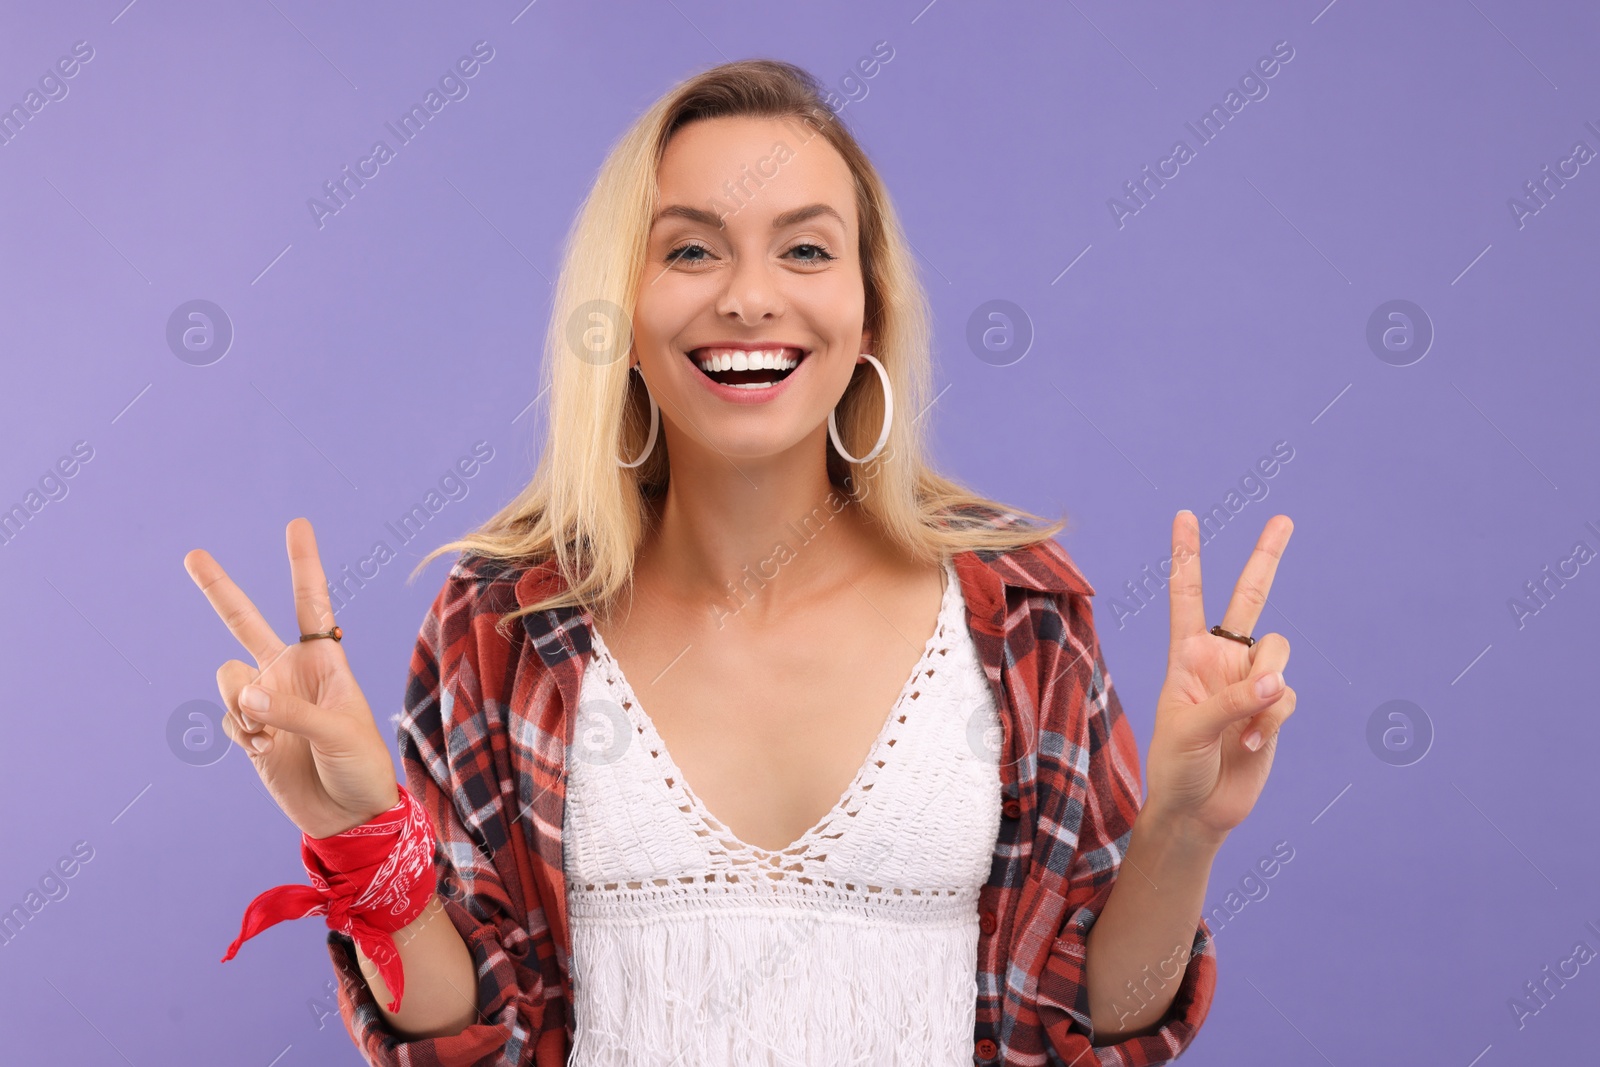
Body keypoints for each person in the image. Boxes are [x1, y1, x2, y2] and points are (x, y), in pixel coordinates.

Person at [183, 58, 1295, 1066]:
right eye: (690, 249)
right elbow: (474, 1041)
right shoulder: (502, 623)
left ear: (867, 313)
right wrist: (355, 838)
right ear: (618, 315)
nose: (749, 296)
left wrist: (1184, 828)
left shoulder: (1019, 615)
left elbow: (1096, 1027)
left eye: (805, 248)